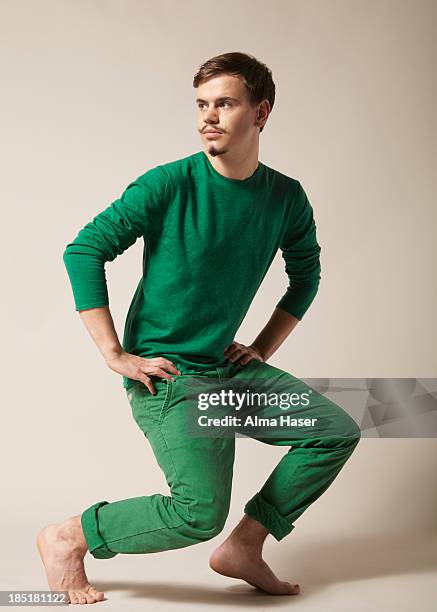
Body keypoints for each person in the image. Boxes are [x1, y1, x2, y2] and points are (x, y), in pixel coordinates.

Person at [37, 51, 361, 605]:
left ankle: (247, 545)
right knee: (197, 514)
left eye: (225, 104)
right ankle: (70, 536)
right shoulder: (168, 184)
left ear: (260, 113)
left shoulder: (285, 197)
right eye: (202, 105)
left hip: (227, 373)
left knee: (335, 430)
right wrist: (115, 353)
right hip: (173, 378)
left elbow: (306, 276)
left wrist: (260, 347)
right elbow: (83, 251)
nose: (209, 117)